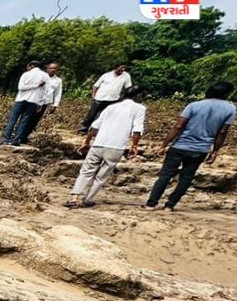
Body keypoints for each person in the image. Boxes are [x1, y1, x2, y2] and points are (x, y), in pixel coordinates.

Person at [145, 81, 235, 211]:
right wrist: (215, 151)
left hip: (180, 145)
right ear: (227, 93)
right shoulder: (230, 109)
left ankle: (151, 204)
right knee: (186, 178)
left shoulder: (194, 105)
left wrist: (164, 144)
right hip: (200, 149)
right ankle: (170, 205)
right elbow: (222, 132)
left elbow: (179, 126)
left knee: (165, 175)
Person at [66, 86, 145, 208]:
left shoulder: (111, 107)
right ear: (138, 96)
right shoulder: (139, 108)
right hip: (116, 146)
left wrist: (86, 142)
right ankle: (88, 199)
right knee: (102, 175)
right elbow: (137, 129)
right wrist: (134, 146)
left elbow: (94, 127)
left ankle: (74, 197)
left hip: (98, 143)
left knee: (86, 171)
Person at [0, 61, 49, 145]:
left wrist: (35, 85)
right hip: (33, 101)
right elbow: (45, 92)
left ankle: (5, 139)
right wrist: (40, 103)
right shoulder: (45, 76)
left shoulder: (26, 74)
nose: (27, 68)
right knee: (24, 121)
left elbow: (21, 87)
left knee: (12, 120)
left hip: (20, 99)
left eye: (28, 66)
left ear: (31, 66)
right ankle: (16, 140)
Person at [79, 63, 133, 133]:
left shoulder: (126, 76)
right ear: (116, 67)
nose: (123, 69)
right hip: (100, 98)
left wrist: (122, 98)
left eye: (124, 68)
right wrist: (93, 95)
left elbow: (128, 88)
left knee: (107, 116)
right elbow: (96, 86)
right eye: (121, 67)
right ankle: (84, 128)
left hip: (113, 100)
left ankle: (99, 131)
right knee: (92, 114)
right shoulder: (106, 75)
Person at [18, 62, 63, 144]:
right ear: (47, 69)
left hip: (44, 103)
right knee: (26, 118)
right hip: (33, 101)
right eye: (51, 68)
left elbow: (58, 93)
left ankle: (24, 136)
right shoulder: (41, 76)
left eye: (54, 68)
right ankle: (18, 135)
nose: (52, 70)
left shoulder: (58, 81)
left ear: (57, 70)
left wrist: (55, 105)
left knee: (35, 120)